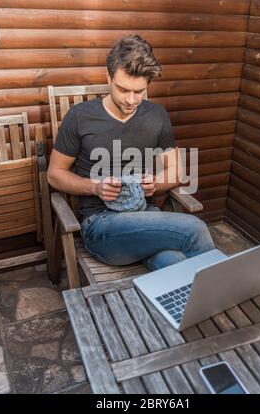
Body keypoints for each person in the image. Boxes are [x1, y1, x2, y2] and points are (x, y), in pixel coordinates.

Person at [47, 35, 214, 270]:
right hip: (102, 224)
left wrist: (154, 184)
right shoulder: (80, 117)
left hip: (147, 215)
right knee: (194, 229)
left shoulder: (157, 115)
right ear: (108, 77)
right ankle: (229, 291)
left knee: (175, 264)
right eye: (123, 89)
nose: (131, 100)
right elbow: (54, 174)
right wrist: (95, 187)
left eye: (139, 91)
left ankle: (200, 303)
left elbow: (176, 172)